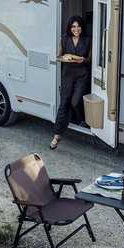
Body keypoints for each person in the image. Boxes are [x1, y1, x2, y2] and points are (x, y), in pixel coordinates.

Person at [51, 15, 91, 149]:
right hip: (67, 73)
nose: (76, 29)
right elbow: (59, 55)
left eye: (78, 26)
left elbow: (90, 58)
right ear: (70, 27)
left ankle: (81, 119)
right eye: (73, 26)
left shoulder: (87, 39)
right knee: (64, 103)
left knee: (75, 101)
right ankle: (57, 134)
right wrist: (63, 57)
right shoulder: (64, 39)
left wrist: (83, 60)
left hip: (82, 74)